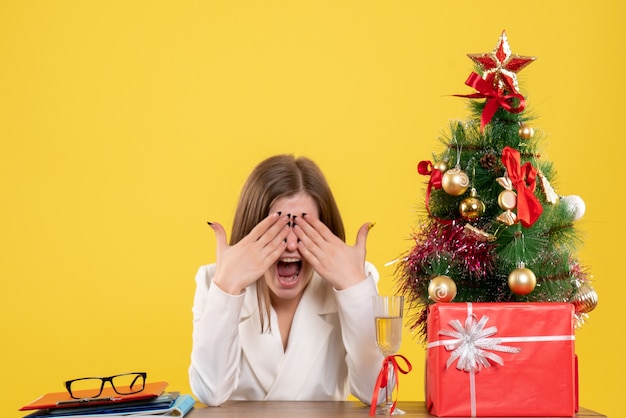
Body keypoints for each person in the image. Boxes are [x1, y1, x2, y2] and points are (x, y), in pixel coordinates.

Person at [189, 154, 384, 406]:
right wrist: (227, 287)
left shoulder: (355, 281)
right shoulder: (212, 281)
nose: (291, 244)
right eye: (276, 228)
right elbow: (209, 392)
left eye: (305, 228)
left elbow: (379, 393)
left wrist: (355, 289)